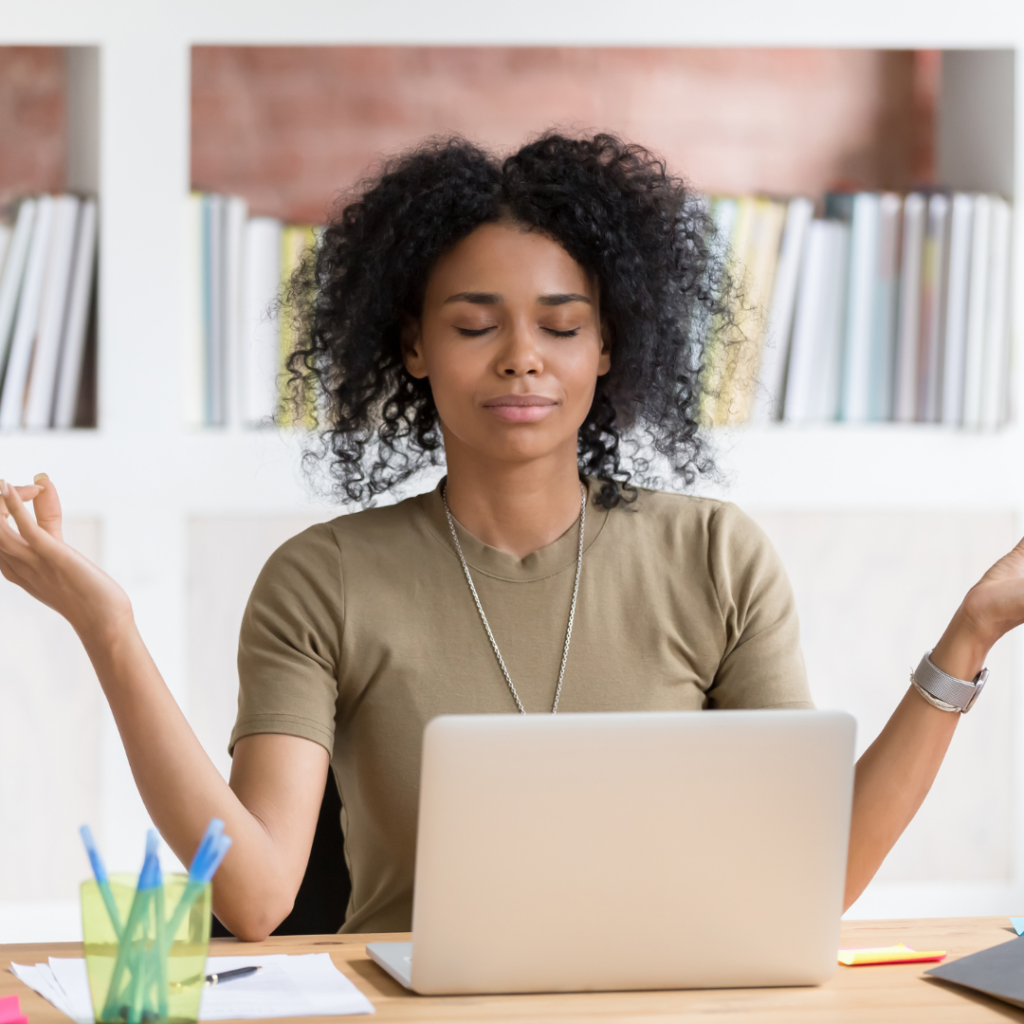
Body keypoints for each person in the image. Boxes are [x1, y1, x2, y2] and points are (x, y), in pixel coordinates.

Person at [1, 134, 1021, 942]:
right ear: (411, 343)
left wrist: (969, 633)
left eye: (562, 325)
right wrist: (109, 625)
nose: (522, 359)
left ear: (610, 343)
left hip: (671, 1000)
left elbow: (812, 878)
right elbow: (258, 898)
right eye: (475, 324)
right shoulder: (323, 580)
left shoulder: (716, 557)